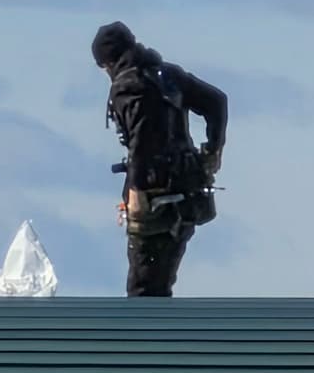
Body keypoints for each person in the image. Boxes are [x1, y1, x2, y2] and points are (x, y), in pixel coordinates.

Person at [92, 22, 229, 298]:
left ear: (107, 62)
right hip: (188, 195)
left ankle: (145, 340)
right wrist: (213, 151)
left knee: (142, 291)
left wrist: (136, 192)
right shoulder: (168, 75)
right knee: (161, 284)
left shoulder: (127, 87)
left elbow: (141, 143)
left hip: (154, 203)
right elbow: (216, 102)